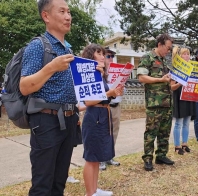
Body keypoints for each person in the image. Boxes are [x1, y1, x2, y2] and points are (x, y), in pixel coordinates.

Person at [19, 0, 105, 195]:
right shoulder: (38, 46)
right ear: (46, 16)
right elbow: (24, 87)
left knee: (59, 182)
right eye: (62, 11)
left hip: (69, 119)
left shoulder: (68, 49)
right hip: (46, 121)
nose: (68, 16)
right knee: (42, 184)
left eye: (69, 11)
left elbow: (75, 88)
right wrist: (51, 67)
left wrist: (94, 73)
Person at [81, 44, 122, 196]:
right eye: (99, 53)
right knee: (91, 158)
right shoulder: (88, 74)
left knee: (97, 157)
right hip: (94, 116)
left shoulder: (100, 74)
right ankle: (89, 193)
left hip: (103, 115)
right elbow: (89, 101)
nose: (102, 56)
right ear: (90, 56)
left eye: (103, 54)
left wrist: (113, 92)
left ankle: (94, 190)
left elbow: (103, 97)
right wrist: (109, 92)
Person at [137, 33, 174, 171]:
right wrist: (160, 80)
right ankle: (147, 158)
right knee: (151, 132)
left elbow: (169, 80)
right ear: (160, 44)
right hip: (154, 104)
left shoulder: (166, 60)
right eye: (168, 48)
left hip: (167, 103)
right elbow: (141, 77)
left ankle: (161, 155)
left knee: (165, 132)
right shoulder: (148, 58)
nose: (168, 51)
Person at [99, 47, 123, 170]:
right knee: (103, 133)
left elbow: (121, 91)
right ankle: (101, 159)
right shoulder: (99, 72)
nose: (110, 58)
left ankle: (109, 156)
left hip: (116, 104)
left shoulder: (117, 71)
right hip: (104, 106)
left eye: (112, 56)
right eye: (108, 56)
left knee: (114, 132)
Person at [171, 45, 196, 155]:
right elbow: (171, 87)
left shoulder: (192, 68)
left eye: (188, 54)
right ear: (179, 56)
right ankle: (177, 146)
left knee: (187, 122)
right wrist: (180, 83)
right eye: (184, 54)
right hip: (179, 97)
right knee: (179, 123)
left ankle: (184, 144)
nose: (186, 56)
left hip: (189, 96)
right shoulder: (175, 69)